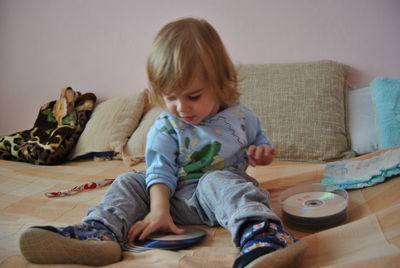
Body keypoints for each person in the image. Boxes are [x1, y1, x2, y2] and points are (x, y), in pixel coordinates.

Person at [19, 17, 305, 268]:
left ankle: (263, 235)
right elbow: (160, 169)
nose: (181, 108)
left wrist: (262, 154)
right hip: (168, 198)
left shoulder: (243, 117)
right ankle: (99, 233)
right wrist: (159, 209)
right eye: (171, 97)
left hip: (218, 198)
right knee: (129, 181)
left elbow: (260, 143)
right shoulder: (166, 126)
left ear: (220, 83)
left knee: (218, 179)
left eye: (193, 96)